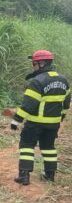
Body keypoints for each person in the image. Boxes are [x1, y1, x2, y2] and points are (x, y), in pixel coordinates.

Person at [10, 50, 71, 185]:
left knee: (26, 145)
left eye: (34, 63)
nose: (33, 66)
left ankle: (24, 176)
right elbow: (67, 102)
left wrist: (16, 120)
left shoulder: (37, 81)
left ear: (41, 63)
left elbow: (28, 105)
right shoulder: (63, 80)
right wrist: (61, 117)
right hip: (54, 123)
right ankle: (50, 175)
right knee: (49, 147)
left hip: (35, 122)